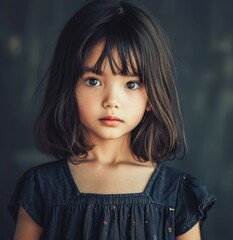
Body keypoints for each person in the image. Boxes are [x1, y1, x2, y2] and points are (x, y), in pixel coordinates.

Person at [8, 0, 216, 239]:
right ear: (68, 87)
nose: (111, 100)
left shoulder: (178, 193)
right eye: (93, 81)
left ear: (151, 97)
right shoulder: (41, 188)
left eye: (131, 84)